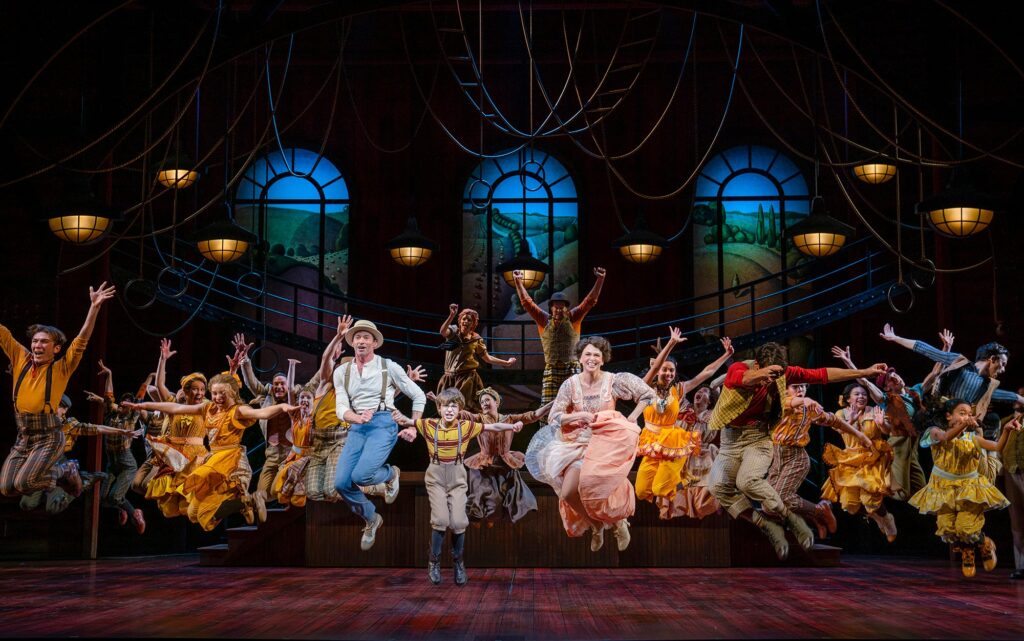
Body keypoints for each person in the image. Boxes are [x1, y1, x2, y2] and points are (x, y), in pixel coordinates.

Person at [707, 341, 887, 560]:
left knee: (768, 492)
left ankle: (813, 514)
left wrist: (865, 372)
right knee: (753, 499)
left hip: (780, 448)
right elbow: (743, 379)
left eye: (801, 387)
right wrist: (769, 378)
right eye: (795, 386)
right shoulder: (747, 373)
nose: (777, 380)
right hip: (750, 444)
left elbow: (823, 378)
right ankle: (809, 517)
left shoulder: (800, 400)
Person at [526, 336, 655, 552]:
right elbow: (554, 416)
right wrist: (579, 416)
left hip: (606, 446)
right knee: (568, 493)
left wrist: (633, 417)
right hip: (578, 444)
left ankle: (619, 523)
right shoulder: (570, 385)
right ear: (580, 358)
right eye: (587, 354)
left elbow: (647, 394)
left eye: (597, 354)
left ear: (603, 359)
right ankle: (596, 525)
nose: (592, 358)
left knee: (597, 486)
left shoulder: (613, 381)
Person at [124, 373, 297, 531]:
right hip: (212, 460)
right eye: (214, 393)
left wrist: (283, 406)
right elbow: (174, 408)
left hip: (231, 462)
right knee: (194, 514)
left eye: (222, 393)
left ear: (231, 393)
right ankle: (246, 502)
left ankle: (247, 500)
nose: (217, 397)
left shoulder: (237, 410)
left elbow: (263, 413)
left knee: (206, 496)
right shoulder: (207, 408)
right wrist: (141, 405)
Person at [393, 388, 522, 585]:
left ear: (459, 409)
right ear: (439, 408)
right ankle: (434, 561)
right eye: (446, 406)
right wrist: (397, 414)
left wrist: (512, 426)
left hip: (457, 475)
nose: (450, 410)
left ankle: (458, 562)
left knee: (459, 522)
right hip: (436, 475)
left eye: (454, 406)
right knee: (440, 519)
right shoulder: (429, 424)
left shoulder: (466, 426)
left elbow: (493, 427)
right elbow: (407, 421)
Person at [0, 282, 116, 498]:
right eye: (35, 341)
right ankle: (63, 472)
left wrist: (94, 307)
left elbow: (82, 339)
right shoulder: (20, 358)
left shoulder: (61, 368)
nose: (37, 345)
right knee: (7, 488)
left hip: (49, 435)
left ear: (56, 348)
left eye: (44, 342)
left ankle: (66, 470)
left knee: (25, 484)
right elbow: (2, 333)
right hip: (24, 433)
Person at [333, 319, 427, 551]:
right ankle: (371, 518)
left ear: (374, 343)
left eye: (366, 337)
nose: (361, 341)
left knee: (362, 476)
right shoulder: (342, 372)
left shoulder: (388, 366)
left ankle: (390, 474)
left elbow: (418, 395)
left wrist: (413, 425)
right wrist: (357, 418)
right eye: (357, 337)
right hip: (358, 426)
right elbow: (341, 406)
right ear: (352, 342)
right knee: (341, 482)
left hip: (384, 423)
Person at [832, 331, 954, 502]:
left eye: (894, 374)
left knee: (921, 490)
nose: (895, 377)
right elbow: (865, 382)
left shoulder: (915, 391)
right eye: (890, 378)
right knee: (901, 493)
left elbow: (935, 373)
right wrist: (848, 361)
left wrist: (946, 348)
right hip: (898, 444)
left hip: (913, 445)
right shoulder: (885, 399)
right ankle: (874, 489)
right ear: (887, 387)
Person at [910, 399, 1018, 577]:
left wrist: (1006, 430)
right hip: (943, 488)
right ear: (948, 415)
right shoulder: (934, 431)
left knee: (966, 528)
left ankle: (982, 544)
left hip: (969, 488)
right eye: (962, 413)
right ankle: (972, 546)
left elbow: (998, 447)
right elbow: (946, 438)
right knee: (946, 529)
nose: (967, 417)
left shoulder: (972, 438)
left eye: (969, 414)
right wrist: (964, 425)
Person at [635, 327, 733, 518]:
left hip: (673, 442)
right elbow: (655, 368)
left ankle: (686, 482)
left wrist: (726, 355)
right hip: (652, 443)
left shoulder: (679, 390)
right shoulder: (646, 387)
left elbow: (706, 373)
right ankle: (684, 480)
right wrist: (669, 345)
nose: (669, 373)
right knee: (641, 491)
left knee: (661, 488)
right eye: (665, 369)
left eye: (672, 370)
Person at [766, 383, 871, 539]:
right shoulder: (780, 402)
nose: (800, 390)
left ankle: (819, 511)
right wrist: (805, 400)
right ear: (785, 389)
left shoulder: (809, 409)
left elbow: (834, 420)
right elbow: (788, 402)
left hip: (796, 457)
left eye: (803, 387)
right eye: (796, 386)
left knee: (782, 497)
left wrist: (859, 435)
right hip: (776, 456)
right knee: (768, 506)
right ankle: (814, 517)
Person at [447, 387, 550, 526]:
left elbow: (533, 415)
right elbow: (461, 415)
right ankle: (477, 515)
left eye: (487, 400)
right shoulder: (479, 419)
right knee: (482, 495)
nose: (484, 403)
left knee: (508, 498)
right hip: (484, 465)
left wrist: (554, 403)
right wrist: (442, 404)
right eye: (482, 402)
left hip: (504, 463)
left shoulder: (509, 419)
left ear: (496, 402)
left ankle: (492, 517)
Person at [512, 267, 606, 404]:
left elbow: (590, 301)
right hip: (552, 369)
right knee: (547, 406)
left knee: (575, 405)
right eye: (556, 307)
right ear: (551, 308)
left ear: (566, 309)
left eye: (562, 307)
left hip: (571, 368)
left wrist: (600, 279)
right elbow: (527, 302)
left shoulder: (574, 317)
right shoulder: (544, 320)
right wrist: (518, 281)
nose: (559, 310)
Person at [18, 394, 122, 515]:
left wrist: (121, 431)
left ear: (65, 410)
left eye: (57, 407)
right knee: (26, 504)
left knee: (53, 507)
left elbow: (95, 428)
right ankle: (49, 490)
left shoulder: (69, 424)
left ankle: (81, 482)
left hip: (60, 464)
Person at [820, 384, 897, 542]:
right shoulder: (841, 413)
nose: (861, 397)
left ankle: (887, 520)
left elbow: (888, 431)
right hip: (851, 459)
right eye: (857, 394)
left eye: (864, 394)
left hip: (872, 458)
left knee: (870, 500)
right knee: (849, 504)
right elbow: (840, 430)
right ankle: (876, 517)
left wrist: (882, 423)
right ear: (848, 399)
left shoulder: (874, 410)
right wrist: (852, 419)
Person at [234, 333, 294, 522]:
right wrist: (244, 360)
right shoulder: (267, 396)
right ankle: (251, 503)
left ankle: (283, 498)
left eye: (282, 384)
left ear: (288, 386)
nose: (278, 387)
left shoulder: (295, 398)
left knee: (277, 489)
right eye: (276, 384)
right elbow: (251, 383)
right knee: (261, 493)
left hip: (290, 454)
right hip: (272, 453)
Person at [437, 305, 516, 412]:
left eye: (469, 320)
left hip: (466, 378)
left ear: (473, 323)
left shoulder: (476, 339)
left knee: (462, 406)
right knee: (445, 406)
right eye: (464, 319)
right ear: (460, 321)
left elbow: (487, 358)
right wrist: (451, 315)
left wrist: (506, 363)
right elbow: (442, 331)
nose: (465, 321)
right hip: (449, 376)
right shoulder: (453, 332)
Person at [1000, 390, 1024, 580]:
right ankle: (1021, 565)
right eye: (1017, 395)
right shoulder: (1005, 422)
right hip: (1011, 471)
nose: (1019, 398)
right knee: (1017, 520)